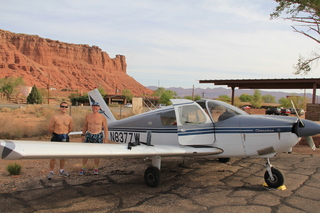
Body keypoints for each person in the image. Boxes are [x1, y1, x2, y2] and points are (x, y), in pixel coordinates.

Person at [79, 102, 109, 175]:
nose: (95, 108)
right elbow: (85, 126)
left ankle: (96, 167)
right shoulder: (88, 116)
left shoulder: (102, 117)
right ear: (92, 107)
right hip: (89, 134)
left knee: (97, 152)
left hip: (98, 135)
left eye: (97, 106)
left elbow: (105, 128)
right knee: (86, 152)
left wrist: (106, 138)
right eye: (94, 106)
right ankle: (83, 167)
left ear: (99, 108)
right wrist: (83, 134)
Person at [47, 102, 74, 180]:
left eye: (65, 107)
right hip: (56, 136)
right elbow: (50, 127)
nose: (64, 108)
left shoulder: (69, 118)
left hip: (65, 137)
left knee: (63, 155)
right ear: (60, 107)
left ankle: (61, 170)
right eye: (62, 107)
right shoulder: (55, 117)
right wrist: (55, 134)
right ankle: (51, 172)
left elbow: (71, 128)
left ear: (67, 108)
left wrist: (65, 134)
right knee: (53, 155)